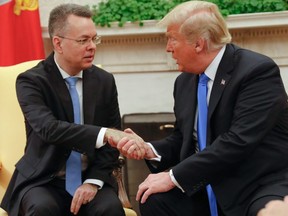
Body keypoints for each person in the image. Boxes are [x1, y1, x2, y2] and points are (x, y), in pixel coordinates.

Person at [114, 1, 288, 216]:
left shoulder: (256, 72)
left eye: (172, 39)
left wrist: (172, 177)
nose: (168, 48)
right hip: (208, 183)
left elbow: (238, 141)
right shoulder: (184, 82)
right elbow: (184, 139)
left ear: (198, 44)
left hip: (255, 185)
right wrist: (149, 150)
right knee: (153, 198)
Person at [0, 3, 143, 216]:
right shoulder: (32, 81)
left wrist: (93, 183)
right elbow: (49, 129)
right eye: (83, 40)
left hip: (91, 176)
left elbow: (110, 147)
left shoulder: (104, 81)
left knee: (110, 209)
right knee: (41, 208)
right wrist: (105, 134)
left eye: (94, 39)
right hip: (43, 179)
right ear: (58, 43)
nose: (92, 46)